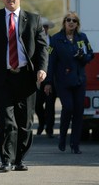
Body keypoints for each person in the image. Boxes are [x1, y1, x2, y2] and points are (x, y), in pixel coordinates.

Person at [0, 0, 48, 172]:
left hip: (26, 78)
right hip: (2, 78)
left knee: (25, 122)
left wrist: (42, 69)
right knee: (6, 120)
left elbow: (42, 48)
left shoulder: (33, 20)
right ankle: (6, 160)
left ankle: (19, 159)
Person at [44, 11, 94, 154]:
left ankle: (75, 144)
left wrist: (83, 56)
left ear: (77, 24)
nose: (71, 22)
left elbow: (90, 55)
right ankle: (63, 138)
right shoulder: (55, 39)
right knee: (68, 108)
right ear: (64, 22)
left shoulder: (82, 38)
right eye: (68, 20)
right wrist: (48, 82)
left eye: (74, 21)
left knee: (79, 112)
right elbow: (51, 62)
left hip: (79, 80)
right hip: (63, 81)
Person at [35, 18, 57, 138]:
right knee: (37, 104)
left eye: (46, 27)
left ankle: (49, 128)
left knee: (50, 105)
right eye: (42, 27)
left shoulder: (53, 41)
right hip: (39, 78)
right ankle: (42, 122)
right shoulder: (35, 40)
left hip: (51, 77)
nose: (44, 29)